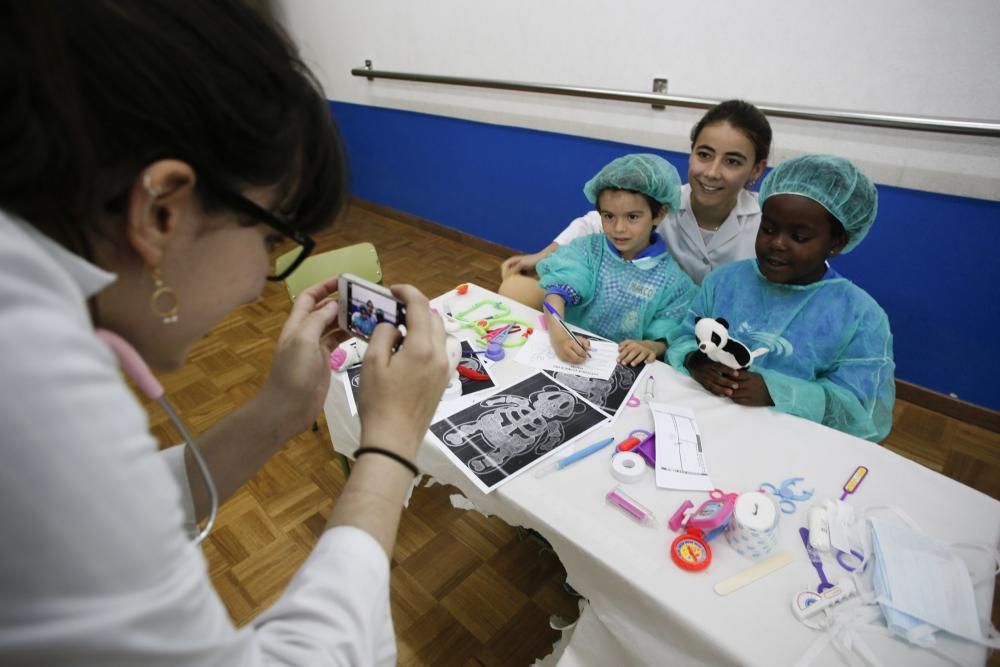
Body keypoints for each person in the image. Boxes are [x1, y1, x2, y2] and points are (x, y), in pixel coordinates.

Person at [0, 2, 450, 665]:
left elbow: (118, 515)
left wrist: (281, 409)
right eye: (271, 238)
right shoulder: (30, 388)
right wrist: (389, 446)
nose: (256, 284)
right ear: (162, 210)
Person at [666, 155, 895, 442]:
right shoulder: (725, 282)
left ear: (836, 243)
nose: (777, 244)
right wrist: (695, 361)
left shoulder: (861, 317)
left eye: (799, 237)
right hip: (705, 423)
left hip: (791, 441)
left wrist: (777, 391)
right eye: (769, 229)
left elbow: (862, 412)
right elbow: (682, 336)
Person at [500, 100, 772, 306]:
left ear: (757, 170)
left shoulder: (769, 222)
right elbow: (593, 223)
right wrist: (540, 256)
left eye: (732, 161)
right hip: (648, 316)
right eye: (704, 154)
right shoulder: (662, 200)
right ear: (691, 152)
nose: (712, 172)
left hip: (720, 335)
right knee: (515, 291)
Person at [536, 154, 698, 365]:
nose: (619, 228)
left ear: (659, 214)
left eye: (632, 217)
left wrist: (651, 346)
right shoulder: (588, 250)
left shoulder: (673, 282)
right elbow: (556, 293)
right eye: (609, 216)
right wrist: (559, 335)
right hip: (570, 354)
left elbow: (670, 332)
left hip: (623, 368)